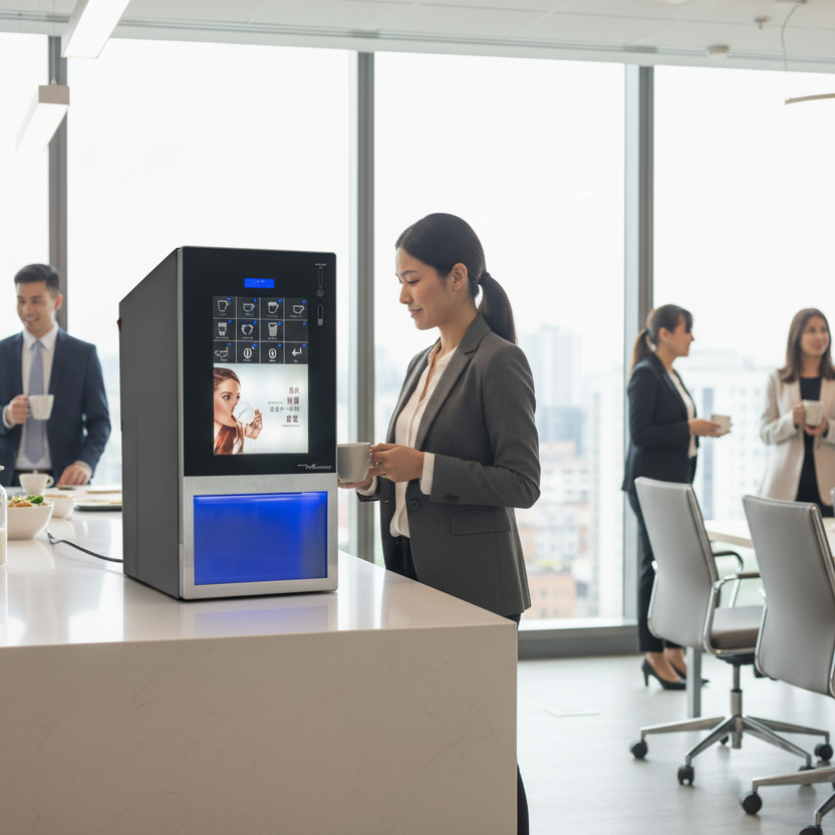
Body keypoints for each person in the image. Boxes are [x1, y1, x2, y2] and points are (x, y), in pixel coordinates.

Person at [338, 213, 539, 835]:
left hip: (474, 587)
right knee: (427, 734)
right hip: (410, 576)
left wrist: (423, 465)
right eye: (399, 280)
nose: (402, 295)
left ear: (457, 277)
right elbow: (410, 474)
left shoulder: (498, 362)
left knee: (481, 741)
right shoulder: (421, 362)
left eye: (412, 279)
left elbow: (521, 484)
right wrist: (374, 477)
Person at [622, 305, 723, 690]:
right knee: (654, 565)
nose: (692, 337)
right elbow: (641, 433)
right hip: (652, 489)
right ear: (665, 333)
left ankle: (674, 649)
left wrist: (698, 431)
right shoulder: (646, 375)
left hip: (674, 487)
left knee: (673, 566)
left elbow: (672, 428)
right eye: (687, 330)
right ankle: (653, 654)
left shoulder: (670, 373)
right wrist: (689, 427)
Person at [0, 264, 110, 487]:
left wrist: (84, 464)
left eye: (36, 301)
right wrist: (7, 415)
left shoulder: (83, 355)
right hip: (8, 482)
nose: (26, 311)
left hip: (64, 481)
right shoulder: (1, 353)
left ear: (56, 302)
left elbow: (100, 422)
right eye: (21, 301)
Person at [759, 308, 835, 516]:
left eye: (824, 330)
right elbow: (764, 433)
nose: (819, 336)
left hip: (828, 487)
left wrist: (827, 428)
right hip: (785, 486)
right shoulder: (777, 379)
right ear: (796, 336)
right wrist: (790, 421)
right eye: (811, 330)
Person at [213, 367, 262, 454]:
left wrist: (250, 438)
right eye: (227, 396)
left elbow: (245, 467)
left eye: (237, 397)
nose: (236, 403)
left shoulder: (236, 436)